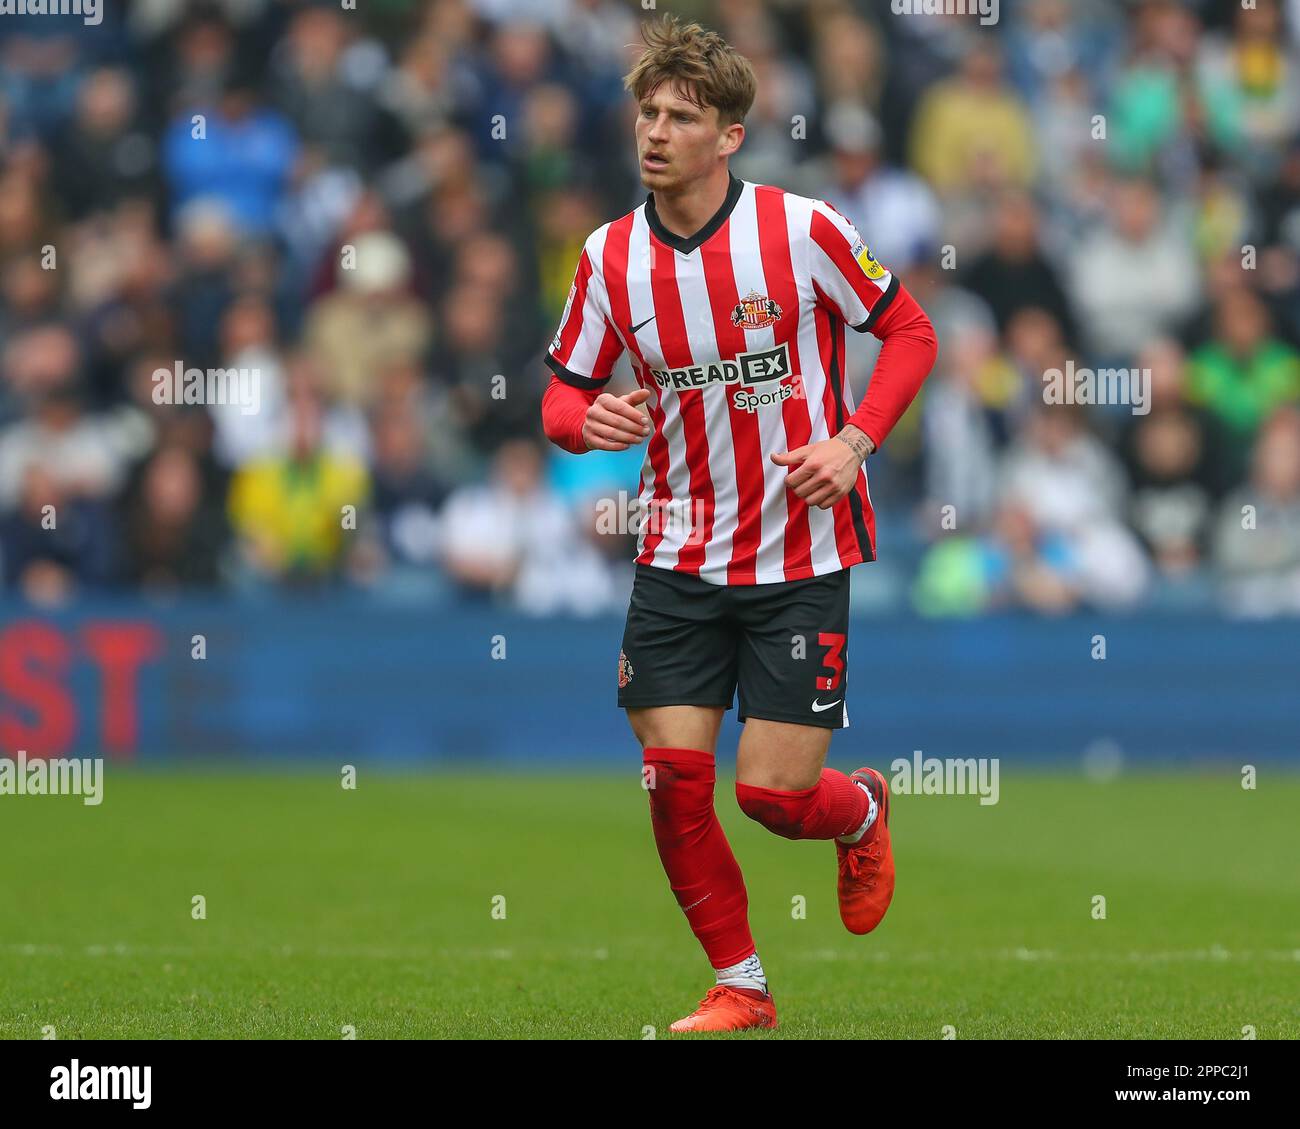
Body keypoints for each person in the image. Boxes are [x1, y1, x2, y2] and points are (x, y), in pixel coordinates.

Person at [539, 16, 937, 1033]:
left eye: (682, 116)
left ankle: (860, 811)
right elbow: (558, 397)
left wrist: (852, 441)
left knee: (769, 795)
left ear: (729, 136)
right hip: (676, 548)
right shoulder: (609, 257)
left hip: (799, 552)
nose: (656, 132)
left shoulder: (799, 232)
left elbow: (908, 332)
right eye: (647, 112)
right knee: (673, 780)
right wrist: (587, 422)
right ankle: (740, 984)